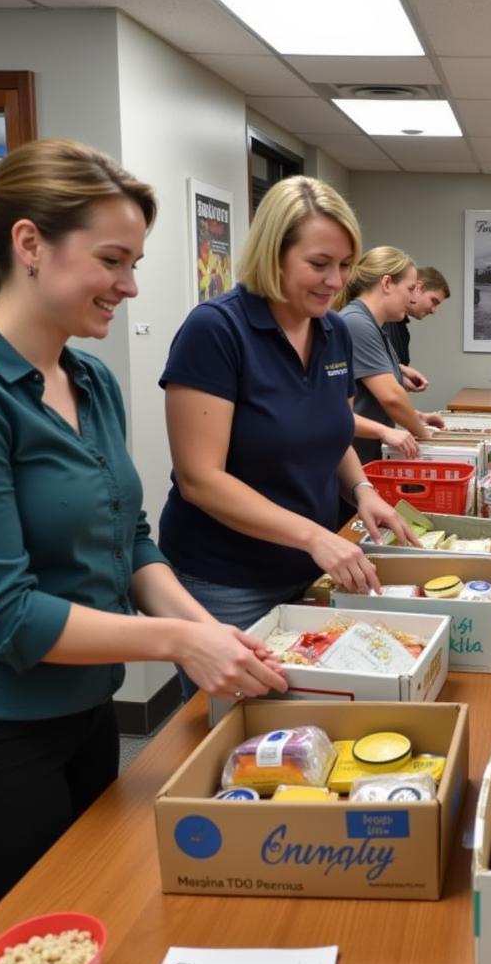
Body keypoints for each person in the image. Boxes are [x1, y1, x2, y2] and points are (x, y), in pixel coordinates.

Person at [0, 139, 287, 910]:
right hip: (4, 730)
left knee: (99, 913)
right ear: (29, 244)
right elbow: (11, 618)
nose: (128, 285)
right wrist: (183, 640)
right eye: (113, 260)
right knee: (32, 930)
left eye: (135, 263)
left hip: (90, 711)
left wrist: (213, 633)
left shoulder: (90, 379)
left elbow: (134, 542)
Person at [159, 177, 416, 700]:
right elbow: (200, 480)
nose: (334, 281)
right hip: (226, 579)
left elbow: (334, 435)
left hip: (306, 568)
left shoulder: (334, 331)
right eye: (318, 264)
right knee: (241, 733)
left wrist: (362, 491)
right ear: (273, 256)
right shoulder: (216, 330)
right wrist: (315, 536)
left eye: (344, 266)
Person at [340, 246, 446, 464]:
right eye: (409, 289)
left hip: (368, 456)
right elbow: (392, 397)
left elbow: (372, 398)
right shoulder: (356, 322)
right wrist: (425, 436)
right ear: (387, 284)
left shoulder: (376, 326)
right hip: (352, 460)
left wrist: (418, 417)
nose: (411, 298)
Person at [382, 265, 451, 400]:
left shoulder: (401, 327)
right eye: (434, 301)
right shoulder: (384, 322)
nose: (433, 310)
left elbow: (390, 374)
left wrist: (402, 379)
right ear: (418, 288)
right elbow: (383, 381)